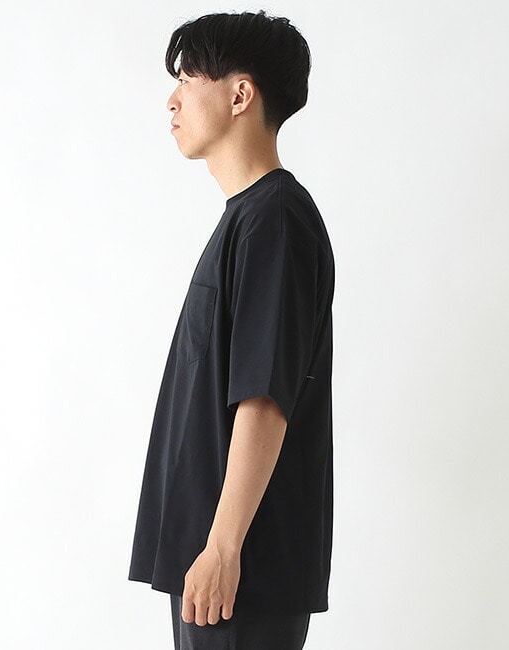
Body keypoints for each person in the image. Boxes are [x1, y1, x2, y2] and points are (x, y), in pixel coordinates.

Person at [128, 10, 335, 649]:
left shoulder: (276, 221)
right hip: (216, 567)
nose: (171, 100)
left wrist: (223, 547)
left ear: (240, 94)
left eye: (187, 80)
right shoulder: (248, 219)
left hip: (241, 570)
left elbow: (265, 395)